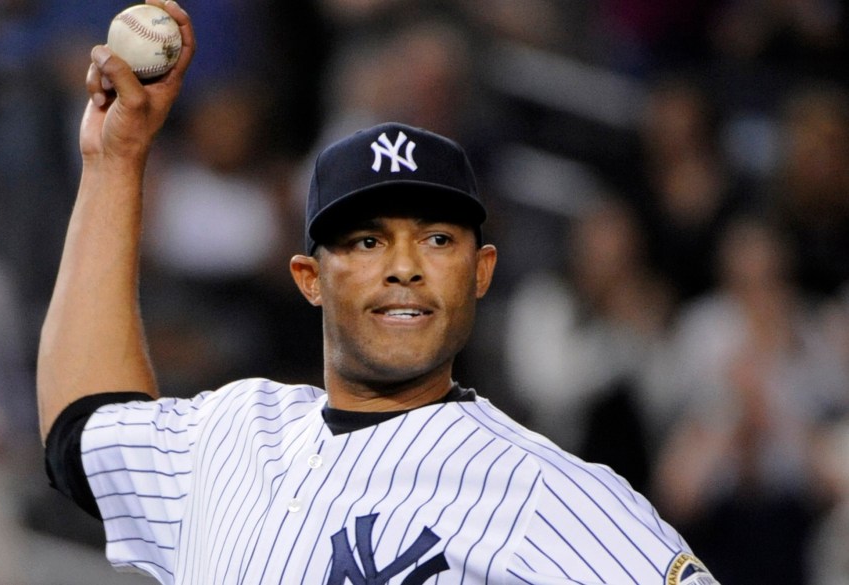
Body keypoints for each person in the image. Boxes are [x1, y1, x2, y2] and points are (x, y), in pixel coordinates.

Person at [37, 2, 718, 583]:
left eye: (436, 239)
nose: (403, 265)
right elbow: (81, 428)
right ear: (310, 277)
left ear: (479, 273)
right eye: (366, 240)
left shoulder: (546, 494)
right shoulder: (232, 432)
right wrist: (114, 159)